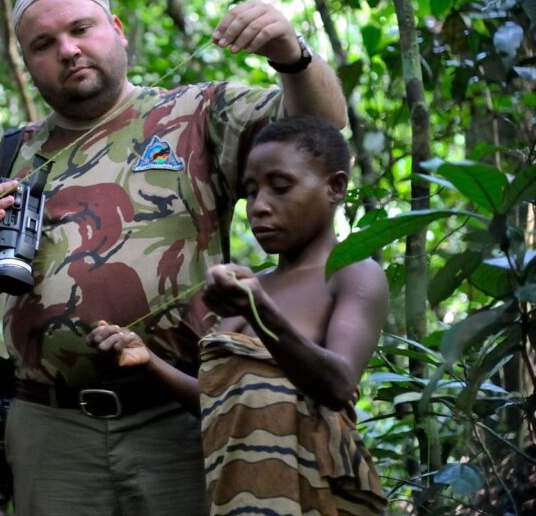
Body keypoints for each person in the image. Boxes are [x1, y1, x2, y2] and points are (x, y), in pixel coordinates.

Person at [0, 0, 347, 516]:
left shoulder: (201, 113)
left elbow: (323, 135)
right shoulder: (17, 152)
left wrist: (290, 55)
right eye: (44, 44)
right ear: (28, 60)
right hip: (51, 428)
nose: (68, 50)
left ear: (117, 28)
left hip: (178, 412)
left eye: (81, 29)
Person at [91, 115, 388, 515]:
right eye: (251, 192)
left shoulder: (353, 273)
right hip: (239, 494)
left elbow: (336, 384)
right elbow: (218, 399)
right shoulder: (252, 287)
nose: (260, 207)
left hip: (313, 493)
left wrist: (259, 310)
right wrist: (149, 362)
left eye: (281, 188)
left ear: (334, 187)